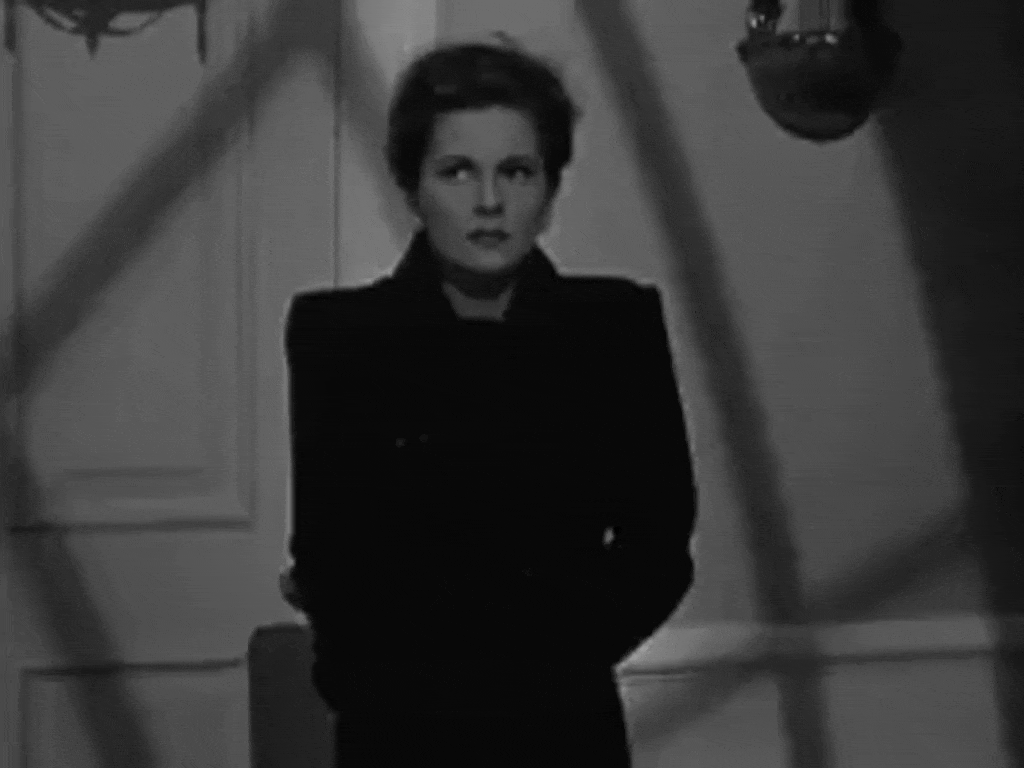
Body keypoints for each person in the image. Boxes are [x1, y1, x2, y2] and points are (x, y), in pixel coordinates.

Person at [282, 32, 698, 768]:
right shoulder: (340, 336)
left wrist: (551, 667)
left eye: (517, 171)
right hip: (398, 730)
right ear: (412, 187)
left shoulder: (613, 327)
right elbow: (330, 551)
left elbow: (658, 544)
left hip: (563, 725)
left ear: (551, 188)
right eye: (456, 172)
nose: (489, 202)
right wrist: (380, 686)